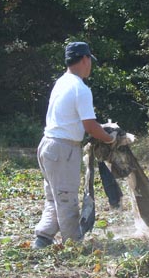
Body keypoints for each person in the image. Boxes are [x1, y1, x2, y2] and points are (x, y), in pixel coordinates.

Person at [32, 41, 117, 249]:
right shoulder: (81, 88)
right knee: (67, 200)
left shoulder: (61, 82)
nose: (91, 66)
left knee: (54, 198)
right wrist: (111, 139)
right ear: (85, 59)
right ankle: (74, 245)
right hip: (63, 149)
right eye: (90, 61)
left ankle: (42, 239)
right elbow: (89, 126)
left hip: (47, 146)